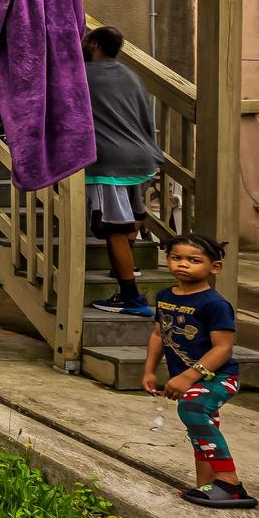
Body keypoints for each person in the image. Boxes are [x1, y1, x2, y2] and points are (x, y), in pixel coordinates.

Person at [144, 234, 256, 511]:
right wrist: (149, 371)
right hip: (193, 377)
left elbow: (223, 349)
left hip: (219, 378)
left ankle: (229, 483)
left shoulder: (214, 304)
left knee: (193, 410)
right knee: (201, 429)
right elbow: (159, 335)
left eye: (194, 260)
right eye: (176, 258)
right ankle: (206, 486)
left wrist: (187, 376)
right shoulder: (165, 296)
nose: (183, 265)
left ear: (214, 267)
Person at [81, 25, 160, 318]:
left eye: (85, 41)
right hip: (142, 158)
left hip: (109, 161)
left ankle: (131, 297)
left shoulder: (84, 76)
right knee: (134, 215)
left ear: (94, 44)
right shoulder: (132, 76)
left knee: (115, 226)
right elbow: (145, 117)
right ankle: (126, 266)